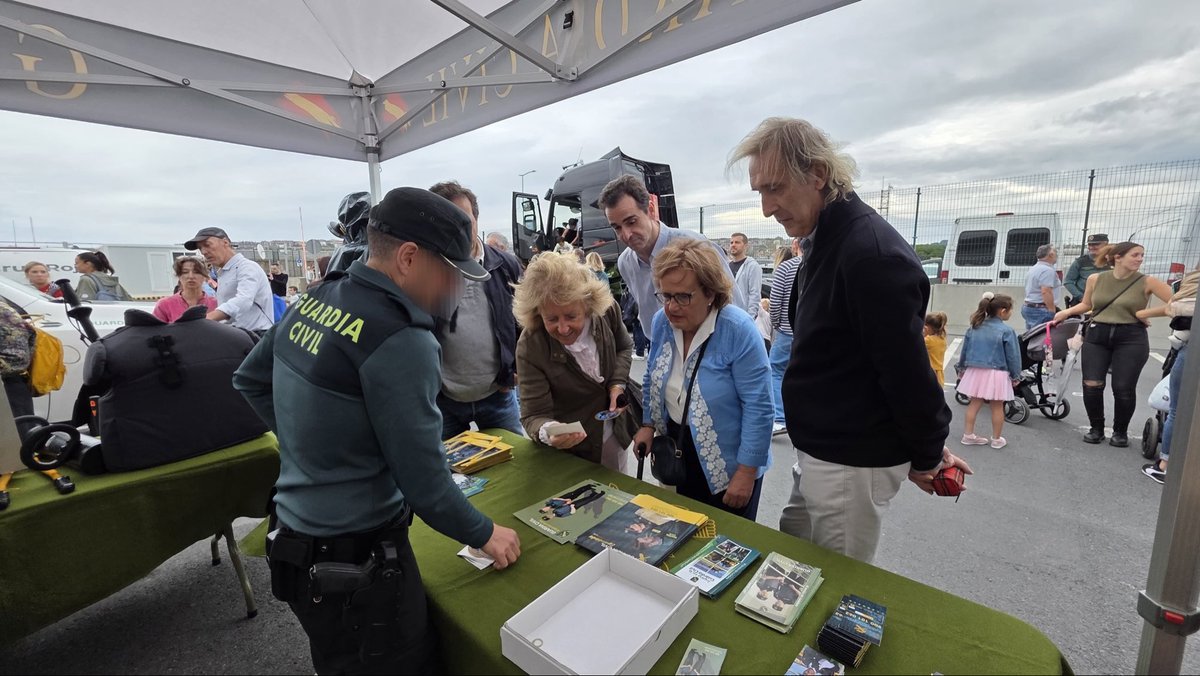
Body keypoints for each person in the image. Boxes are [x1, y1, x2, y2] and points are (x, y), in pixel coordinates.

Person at [232, 187, 522, 675]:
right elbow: (426, 483)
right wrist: (486, 533)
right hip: (358, 558)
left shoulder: (317, 298)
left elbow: (251, 379)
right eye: (452, 272)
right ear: (409, 258)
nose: (457, 289)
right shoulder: (403, 338)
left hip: (294, 540)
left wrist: (314, 452)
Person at [729, 116, 970, 563]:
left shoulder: (868, 254)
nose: (766, 207)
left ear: (817, 174)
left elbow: (906, 373)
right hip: (826, 451)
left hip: (850, 461)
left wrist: (928, 451)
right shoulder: (827, 240)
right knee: (792, 561)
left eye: (775, 188)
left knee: (832, 583)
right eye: (760, 191)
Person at [631, 239, 773, 520]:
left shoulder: (737, 329)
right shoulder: (662, 322)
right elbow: (651, 377)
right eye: (666, 295)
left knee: (725, 546)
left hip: (730, 466)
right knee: (678, 532)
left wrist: (746, 472)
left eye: (683, 296)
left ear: (710, 292)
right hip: (677, 451)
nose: (671, 307)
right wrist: (648, 423)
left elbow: (760, 407)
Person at [512, 252, 640, 473]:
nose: (562, 328)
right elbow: (533, 415)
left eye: (571, 316)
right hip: (570, 450)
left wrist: (617, 383)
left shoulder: (608, 312)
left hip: (613, 433)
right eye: (551, 319)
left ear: (588, 305)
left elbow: (624, 346)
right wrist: (551, 430)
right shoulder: (531, 344)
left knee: (618, 489)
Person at [1053, 241, 1173, 446]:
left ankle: (1120, 432)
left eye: (1142, 255)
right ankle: (1096, 428)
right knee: (1091, 383)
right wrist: (1067, 312)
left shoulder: (1147, 281)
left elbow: (1179, 302)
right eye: (1135, 255)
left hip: (1131, 337)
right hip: (1097, 333)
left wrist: (1145, 313)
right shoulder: (1095, 279)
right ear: (1118, 257)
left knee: (1123, 387)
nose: (1140, 259)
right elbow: (1087, 304)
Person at [429, 180, 524, 439]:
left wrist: (515, 368)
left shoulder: (505, 265)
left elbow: (524, 322)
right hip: (444, 400)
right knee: (452, 473)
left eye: (464, 218)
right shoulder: (428, 271)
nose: (457, 227)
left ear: (477, 219)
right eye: (447, 219)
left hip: (498, 395)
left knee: (516, 466)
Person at [605, 174, 744, 340]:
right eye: (617, 228)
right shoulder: (626, 263)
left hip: (710, 350)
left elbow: (735, 308)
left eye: (632, 222)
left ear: (650, 210)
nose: (626, 235)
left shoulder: (695, 246)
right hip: (660, 351)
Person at [1141, 267, 1198, 483]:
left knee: (1177, 409)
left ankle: (1165, 465)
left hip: (1191, 348)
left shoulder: (1191, 286)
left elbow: (1175, 309)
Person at [956, 293, 1021, 449]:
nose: (1011, 313)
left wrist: (961, 368)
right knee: (997, 406)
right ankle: (996, 439)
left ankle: (968, 435)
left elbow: (964, 351)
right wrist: (1016, 375)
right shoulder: (1007, 331)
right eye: (1010, 310)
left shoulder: (974, 327)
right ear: (1003, 311)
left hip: (975, 371)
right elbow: (1013, 356)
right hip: (997, 372)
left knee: (974, 403)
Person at [184, 227, 274, 335]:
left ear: (225, 242)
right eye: (200, 248)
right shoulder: (224, 272)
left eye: (207, 245)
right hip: (236, 335)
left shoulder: (247, 267)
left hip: (256, 337)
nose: (203, 252)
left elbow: (243, 300)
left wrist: (208, 318)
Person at [768, 238, 802, 436]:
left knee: (776, 371)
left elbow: (775, 301)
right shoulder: (820, 263)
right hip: (808, 333)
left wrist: (777, 324)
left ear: (795, 246)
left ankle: (780, 418)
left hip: (786, 331)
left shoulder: (786, 268)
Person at [152, 256, 218, 323]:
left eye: (196, 272)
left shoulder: (216, 304)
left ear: (205, 276)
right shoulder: (164, 304)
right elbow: (155, 331)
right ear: (179, 276)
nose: (191, 276)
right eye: (185, 272)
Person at [1063, 233, 1110, 306]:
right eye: (1089, 245)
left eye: (1096, 244)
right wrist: (1081, 297)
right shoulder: (1080, 262)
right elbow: (1068, 281)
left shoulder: (1112, 262)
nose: (1091, 247)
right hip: (1083, 303)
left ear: (1106, 245)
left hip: (1106, 302)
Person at [1022, 244, 1061, 329]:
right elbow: (1046, 291)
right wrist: (1052, 310)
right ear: (1051, 255)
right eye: (1055, 253)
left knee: (1032, 337)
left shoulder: (1033, 268)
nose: (1056, 256)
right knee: (1042, 339)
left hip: (1029, 307)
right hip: (1041, 309)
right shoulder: (1047, 270)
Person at [728, 232, 763, 319]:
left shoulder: (752, 266)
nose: (733, 245)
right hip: (728, 315)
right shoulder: (727, 266)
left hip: (744, 316)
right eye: (731, 242)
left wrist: (750, 317)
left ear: (745, 246)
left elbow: (755, 294)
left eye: (737, 242)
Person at [924, 311, 949, 387]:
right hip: (939, 375)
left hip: (929, 374)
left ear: (928, 327)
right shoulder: (942, 339)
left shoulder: (929, 340)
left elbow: (916, 343)